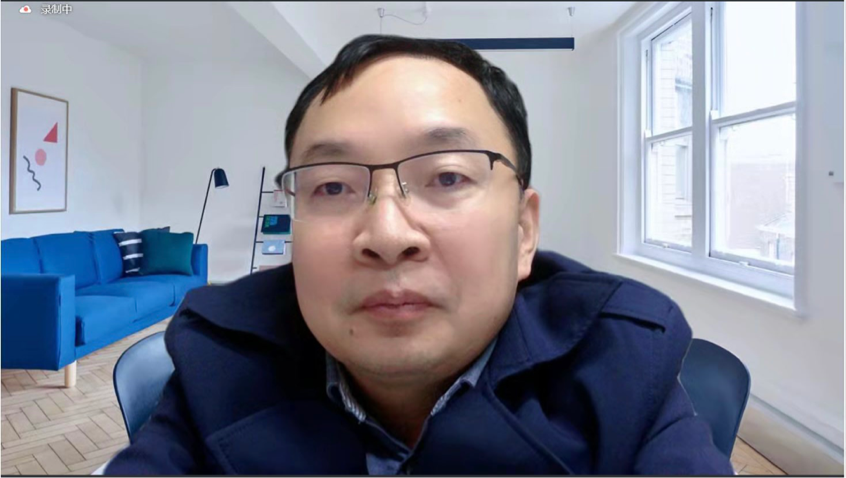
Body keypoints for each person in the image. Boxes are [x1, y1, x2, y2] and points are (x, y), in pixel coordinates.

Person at [104, 35, 734, 475]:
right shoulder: (221, 355)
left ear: (523, 232)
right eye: (332, 186)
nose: (386, 233)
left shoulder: (622, 365)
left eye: (448, 176)